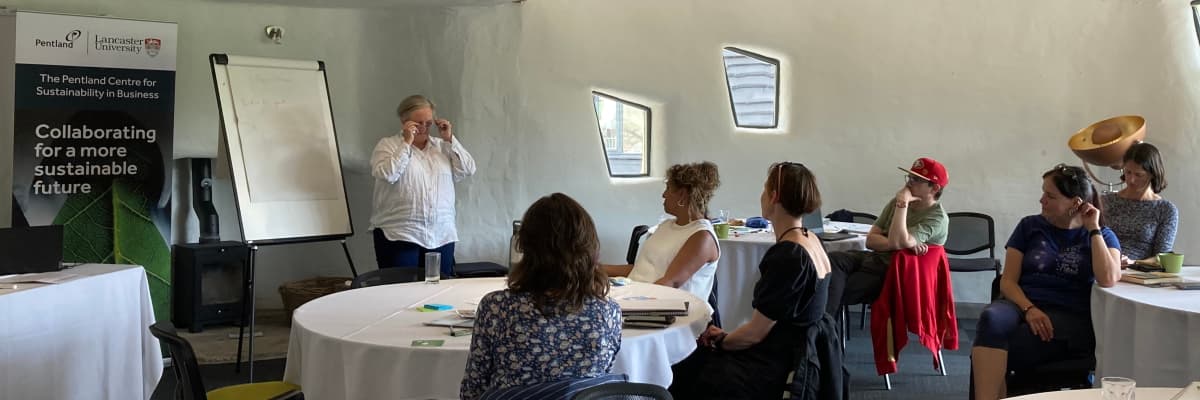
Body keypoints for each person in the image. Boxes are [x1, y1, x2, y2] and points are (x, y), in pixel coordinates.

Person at [669, 162, 840, 400]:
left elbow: (755, 334)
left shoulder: (789, 255)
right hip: (802, 351)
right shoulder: (812, 240)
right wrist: (727, 335)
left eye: (764, 189)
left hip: (781, 361)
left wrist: (722, 341)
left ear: (774, 196)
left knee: (695, 367)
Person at [970, 164, 1121, 400]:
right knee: (990, 321)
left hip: (1069, 315)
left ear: (1075, 202)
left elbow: (1109, 278)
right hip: (1022, 302)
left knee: (1001, 346)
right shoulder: (1029, 226)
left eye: (1050, 196)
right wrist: (1029, 309)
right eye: (1043, 193)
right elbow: (1007, 282)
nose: (1042, 200)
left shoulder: (1102, 235)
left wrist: (1093, 228)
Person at [460, 193, 622, 400]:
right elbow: (601, 385)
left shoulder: (496, 307)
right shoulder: (608, 311)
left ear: (525, 247)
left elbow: (472, 390)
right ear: (589, 247)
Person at [824, 157, 950, 316]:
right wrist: (904, 242)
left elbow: (896, 242)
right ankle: (824, 328)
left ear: (934, 188)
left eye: (917, 179)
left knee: (829, 290)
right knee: (832, 259)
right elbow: (871, 240)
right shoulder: (895, 203)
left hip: (892, 273)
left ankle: (823, 332)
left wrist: (902, 203)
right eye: (909, 177)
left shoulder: (936, 218)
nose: (909, 182)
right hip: (874, 258)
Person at [369, 95, 476, 276]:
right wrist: (406, 143)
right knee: (401, 291)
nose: (424, 128)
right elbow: (388, 174)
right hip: (400, 233)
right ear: (405, 122)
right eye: (418, 124)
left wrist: (449, 138)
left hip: (441, 233)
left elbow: (467, 169)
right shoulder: (387, 145)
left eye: (428, 123)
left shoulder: (442, 146)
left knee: (439, 292)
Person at [604, 162, 721, 304]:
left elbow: (669, 284)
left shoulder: (702, 237)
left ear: (682, 195)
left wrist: (622, 299)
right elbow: (640, 270)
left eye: (668, 188)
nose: (663, 194)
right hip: (639, 296)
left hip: (666, 310)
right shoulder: (665, 226)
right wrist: (596, 269)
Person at [1102, 142, 1178, 264]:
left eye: (1139, 175)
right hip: (1104, 267)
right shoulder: (1106, 201)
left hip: (1140, 274)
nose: (1131, 180)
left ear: (1152, 174)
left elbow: (1162, 257)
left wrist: (1133, 263)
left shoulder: (1165, 210)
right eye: (1128, 172)